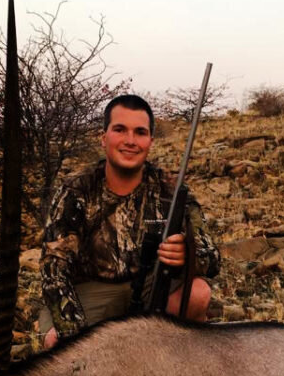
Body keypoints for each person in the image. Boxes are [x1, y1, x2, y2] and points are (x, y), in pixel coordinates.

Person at [39, 94, 219, 349]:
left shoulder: (171, 189)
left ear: (150, 141)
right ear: (104, 138)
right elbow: (53, 270)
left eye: (140, 132)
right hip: (93, 291)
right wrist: (74, 335)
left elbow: (212, 260)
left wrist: (188, 255)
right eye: (120, 130)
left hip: (149, 287)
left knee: (199, 294)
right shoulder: (76, 190)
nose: (130, 141)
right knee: (58, 342)